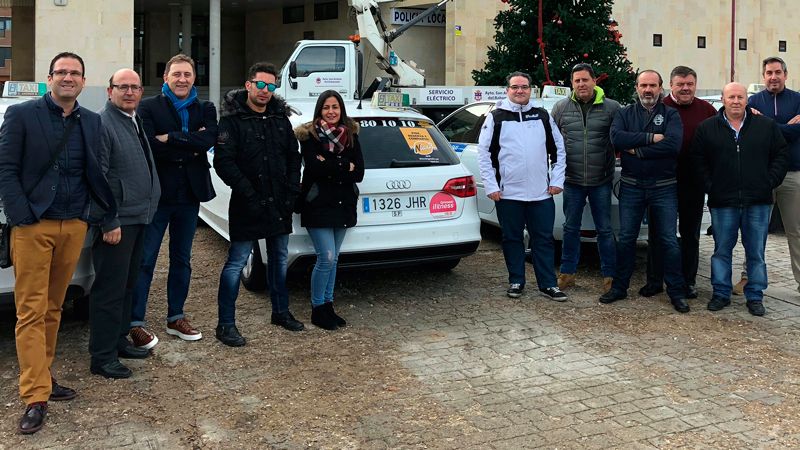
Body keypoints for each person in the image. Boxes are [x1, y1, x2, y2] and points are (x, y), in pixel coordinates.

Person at [0, 52, 115, 434]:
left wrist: (91, 213)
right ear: (50, 78)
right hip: (34, 226)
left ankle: (44, 377)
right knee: (30, 311)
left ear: (83, 81)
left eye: (75, 73)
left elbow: (96, 170)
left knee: (53, 307)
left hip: (73, 225)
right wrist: (22, 215)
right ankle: (34, 395)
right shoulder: (22, 115)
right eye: (62, 72)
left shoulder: (92, 121)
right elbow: (6, 169)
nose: (69, 77)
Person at [213, 62, 304, 345]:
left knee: (278, 259)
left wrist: (291, 191)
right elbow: (223, 162)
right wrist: (249, 194)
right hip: (247, 204)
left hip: (279, 203)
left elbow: (293, 156)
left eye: (271, 86)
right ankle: (226, 324)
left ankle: (281, 312)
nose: (265, 91)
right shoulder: (231, 120)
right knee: (236, 263)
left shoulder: (280, 119)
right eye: (261, 85)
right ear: (249, 85)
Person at [131, 54, 217, 345]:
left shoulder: (205, 108)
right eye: (177, 74)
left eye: (187, 75)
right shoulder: (148, 107)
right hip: (158, 195)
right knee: (146, 259)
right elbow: (150, 145)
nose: (182, 79)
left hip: (189, 195)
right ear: (166, 77)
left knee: (182, 259)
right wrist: (190, 141)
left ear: (194, 78)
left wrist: (171, 138)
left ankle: (175, 317)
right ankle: (135, 321)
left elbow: (209, 141)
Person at [88, 69, 161, 378]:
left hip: (139, 217)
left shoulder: (133, 119)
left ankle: (119, 341)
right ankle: (102, 357)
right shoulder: (104, 124)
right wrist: (108, 220)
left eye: (134, 87)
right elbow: (98, 176)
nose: (129, 92)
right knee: (109, 290)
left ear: (141, 92)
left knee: (128, 286)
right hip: (118, 223)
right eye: (122, 87)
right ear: (110, 91)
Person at [693, 82, 788, 316]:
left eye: (740, 97)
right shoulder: (707, 128)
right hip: (723, 201)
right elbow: (698, 159)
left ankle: (755, 295)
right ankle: (721, 293)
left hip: (758, 200)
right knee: (722, 249)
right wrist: (711, 186)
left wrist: (769, 181)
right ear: (723, 100)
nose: (736, 101)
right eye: (731, 97)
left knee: (756, 251)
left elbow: (781, 155)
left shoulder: (766, 126)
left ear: (747, 100)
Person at [477, 71, 568, 301]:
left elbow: (559, 150)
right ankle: (516, 280)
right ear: (507, 90)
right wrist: (491, 186)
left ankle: (548, 284)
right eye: (515, 87)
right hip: (508, 194)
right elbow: (484, 154)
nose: (520, 91)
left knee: (544, 240)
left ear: (531, 90)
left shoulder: (542, 116)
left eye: (524, 87)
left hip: (540, 195)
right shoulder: (496, 117)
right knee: (511, 239)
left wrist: (557, 180)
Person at [603, 70, 689, 313]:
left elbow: (673, 145)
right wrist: (652, 138)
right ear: (637, 87)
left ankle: (676, 292)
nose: (648, 90)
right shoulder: (624, 113)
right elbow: (617, 138)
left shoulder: (670, 114)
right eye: (643, 85)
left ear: (661, 88)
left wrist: (637, 149)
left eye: (653, 85)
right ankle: (620, 288)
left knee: (669, 241)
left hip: (664, 187)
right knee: (627, 238)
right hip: (631, 186)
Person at [638, 66, 717, 300]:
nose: (685, 88)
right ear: (670, 86)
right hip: (661, 182)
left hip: (693, 183)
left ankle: (688, 281)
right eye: (680, 84)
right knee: (659, 233)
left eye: (689, 84)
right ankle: (654, 281)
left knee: (690, 234)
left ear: (695, 85)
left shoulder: (707, 110)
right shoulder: (658, 109)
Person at [294, 90, 365, 330]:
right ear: (319, 110)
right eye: (326, 107)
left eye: (335, 107)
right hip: (317, 204)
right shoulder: (309, 136)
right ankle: (317, 308)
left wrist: (332, 165)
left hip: (343, 204)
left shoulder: (351, 135)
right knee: (326, 257)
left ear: (341, 110)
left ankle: (328, 305)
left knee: (334, 260)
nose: (331, 111)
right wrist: (345, 164)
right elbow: (314, 168)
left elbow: (360, 173)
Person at [551, 63, 620, 292]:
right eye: (577, 80)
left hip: (601, 180)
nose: (581, 84)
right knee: (570, 228)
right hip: (572, 180)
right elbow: (551, 143)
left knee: (605, 230)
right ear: (572, 83)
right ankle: (567, 273)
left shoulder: (612, 108)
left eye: (585, 80)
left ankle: (610, 276)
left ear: (594, 81)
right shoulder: (561, 108)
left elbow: (620, 139)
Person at [747, 56, 800, 296]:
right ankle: (749, 278)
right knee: (755, 229)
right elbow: (754, 134)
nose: (773, 77)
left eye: (778, 72)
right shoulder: (753, 101)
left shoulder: (798, 100)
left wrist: (766, 124)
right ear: (763, 76)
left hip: (792, 174)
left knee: (796, 231)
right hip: (761, 175)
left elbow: (794, 133)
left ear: (785, 75)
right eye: (769, 73)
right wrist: (784, 127)